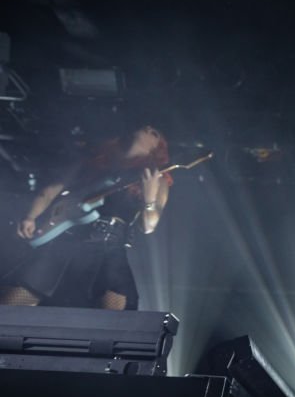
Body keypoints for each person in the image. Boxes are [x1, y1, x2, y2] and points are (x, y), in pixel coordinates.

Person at [0, 125, 171, 311]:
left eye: (154, 133)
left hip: (109, 248)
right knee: (12, 307)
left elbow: (148, 226)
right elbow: (50, 191)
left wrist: (149, 198)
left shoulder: (157, 178)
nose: (146, 130)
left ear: (158, 148)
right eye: (144, 127)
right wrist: (30, 217)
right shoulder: (92, 162)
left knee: (115, 319)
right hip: (66, 240)